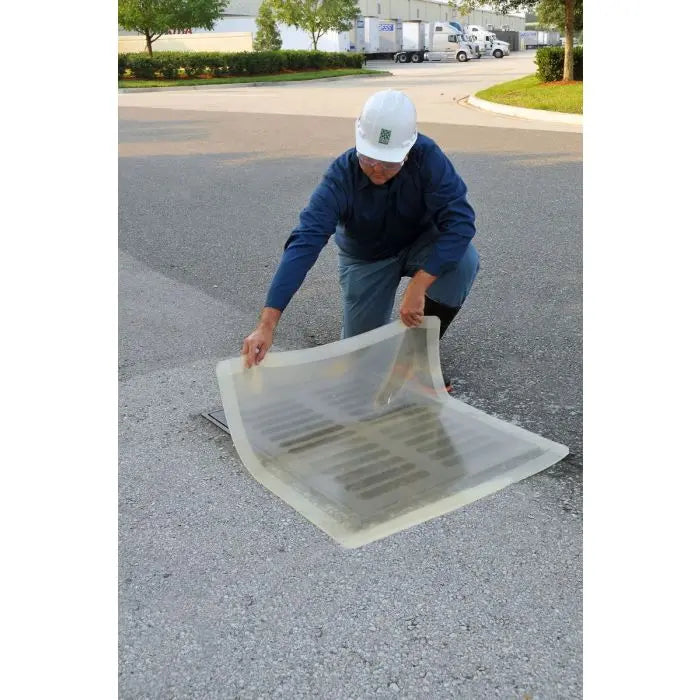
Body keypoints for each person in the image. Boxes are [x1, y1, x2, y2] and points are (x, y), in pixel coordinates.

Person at [241, 89, 480, 389]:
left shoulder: (427, 157)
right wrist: (267, 324)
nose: (377, 169)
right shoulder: (340, 176)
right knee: (362, 363)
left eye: (389, 163)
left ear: (408, 151)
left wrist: (420, 285)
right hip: (367, 258)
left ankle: (415, 356)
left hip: (420, 244)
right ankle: (376, 350)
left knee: (463, 260)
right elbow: (305, 243)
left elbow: (461, 221)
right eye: (369, 158)